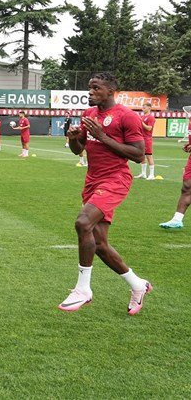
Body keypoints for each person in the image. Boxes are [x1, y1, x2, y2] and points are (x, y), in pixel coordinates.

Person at [58, 72, 151, 315]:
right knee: (99, 244)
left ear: (110, 91)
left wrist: (102, 136)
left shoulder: (126, 116)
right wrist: (74, 140)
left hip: (116, 179)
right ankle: (138, 285)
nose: (90, 92)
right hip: (92, 181)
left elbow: (138, 155)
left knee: (82, 222)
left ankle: (83, 289)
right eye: (90, 88)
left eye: (96, 88)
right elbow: (79, 151)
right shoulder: (89, 114)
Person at [135, 102, 156, 180]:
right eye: (142, 107)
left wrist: (141, 122)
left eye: (144, 107)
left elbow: (149, 128)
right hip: (141, 138)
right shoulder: (142, 116)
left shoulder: (151, 117)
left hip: (147, 139)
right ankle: (143, 173)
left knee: (149, 156)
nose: (143, 109)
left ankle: (152, 175)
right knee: (142, 156)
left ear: (149, 108)